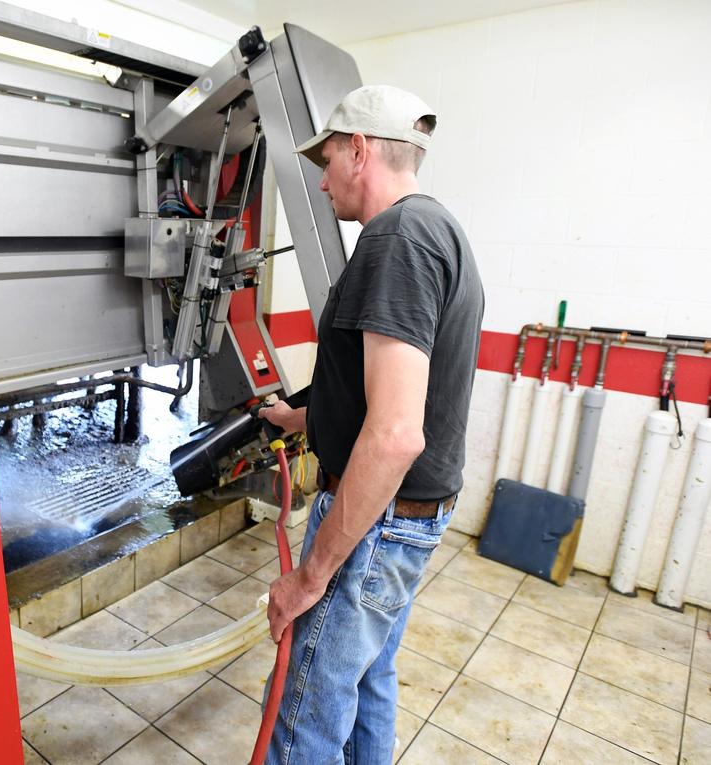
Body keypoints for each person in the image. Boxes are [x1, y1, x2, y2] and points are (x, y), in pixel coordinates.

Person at [258, 84, 484, 764]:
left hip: (377, 519)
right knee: (368, 677)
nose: (322, 180)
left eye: (326, 160)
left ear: (359, 151)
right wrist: (295, 415)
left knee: (303, 710)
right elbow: (378, 388)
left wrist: (311, 573)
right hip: (410, 511)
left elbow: (393, 434)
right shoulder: (437, 228)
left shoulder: (395, 239)